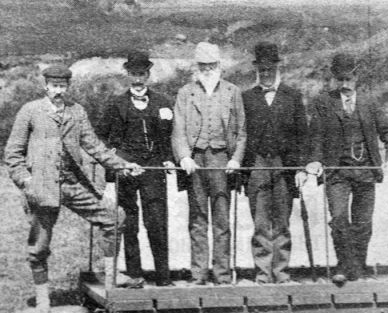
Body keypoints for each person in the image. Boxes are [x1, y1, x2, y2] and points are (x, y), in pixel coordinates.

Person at [4, 64, 143, 313]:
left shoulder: (77, 112)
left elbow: (95, 147)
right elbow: (13, 153)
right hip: (42, 188)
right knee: (39, 247)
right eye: (54, 86)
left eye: (63, 86)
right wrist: (26, 181)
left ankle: (111, 280)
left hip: (72, 183)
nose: (59, 91)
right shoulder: (31, 111)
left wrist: (123, 165)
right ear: (46, 86)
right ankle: (43, 303)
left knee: (114, 216)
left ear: (68, 87)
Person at [307, 53, 388, 285]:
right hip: (337, 172)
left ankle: (356, 265)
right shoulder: (323, 102)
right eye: (340, 79)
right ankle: (344, 265)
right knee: (338, 218)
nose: (344, 84)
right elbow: (315, 136)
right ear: (334, 79)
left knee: (363, 222)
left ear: (356, 77)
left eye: (348, 79)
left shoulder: (370, 103)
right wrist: (316, 160)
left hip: (366, 171)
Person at [97, 51, 175, 288]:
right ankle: (134, 275)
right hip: (126, 169)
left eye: (142, 74)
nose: (138, 80)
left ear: (148, 75)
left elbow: (171, 135)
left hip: (153, 168)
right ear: (128, 76)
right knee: (129, 223)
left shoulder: (162, 102)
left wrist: (168, 158)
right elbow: (100, 136)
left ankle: (163, 276)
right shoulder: (116, 104)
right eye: (134, 74)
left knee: (157, 221)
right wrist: (114, 159)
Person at [171, 42, 246, 285]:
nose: (207, 70)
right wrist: (184, 156)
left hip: (222, 159)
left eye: (212, 66)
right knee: (198, 219)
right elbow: (179, 129)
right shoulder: (186, 92)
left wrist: (236, 159)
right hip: (196, 161)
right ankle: (198, 274)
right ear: (197, 67)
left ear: (219, 66)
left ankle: (223, 274)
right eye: (203, 66)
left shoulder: (232, 92)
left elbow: (242, 130)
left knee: (222, 219)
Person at [242, 42, 308, 284]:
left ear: (278, 68)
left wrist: (300, 167)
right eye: (262, 69)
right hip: (257, 165)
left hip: (284, 166)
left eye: (270, 68)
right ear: (257, 69)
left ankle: (281, 273)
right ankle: (262, 274)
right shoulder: (247, 97)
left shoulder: (292, 96)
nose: (266, 73)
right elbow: (240, 133)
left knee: (282, 221)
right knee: (260, 223)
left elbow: (303, 135)